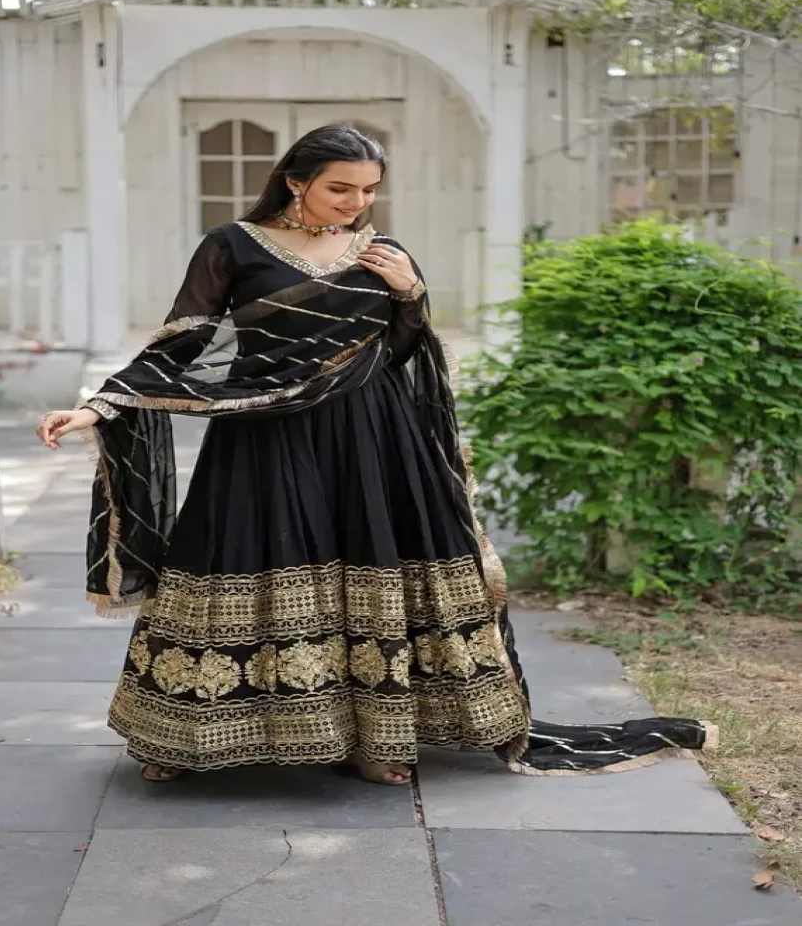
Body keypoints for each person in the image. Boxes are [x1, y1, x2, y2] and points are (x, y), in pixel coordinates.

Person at [38, 124, 715, 784]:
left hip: (373, 437)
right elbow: (180, 343)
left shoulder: (382, 251)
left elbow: (401, 351)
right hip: (266, 437)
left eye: (368, 190)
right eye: (341, 188)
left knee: (372, 566)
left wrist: (410, 295)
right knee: (238, 557)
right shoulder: (232, 245)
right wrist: (100, 405)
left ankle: (375, 734)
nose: (356, 203)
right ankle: (185, 737)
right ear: (296, 181)